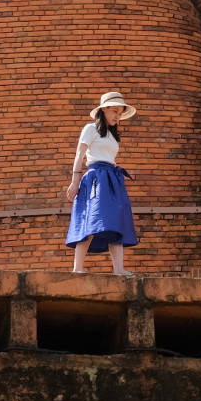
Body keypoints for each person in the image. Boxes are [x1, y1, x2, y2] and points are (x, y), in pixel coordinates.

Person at [64, 91, 137, 274]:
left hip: (112, 179)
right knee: (90, 219)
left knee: (116, 221)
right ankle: (78, 268)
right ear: (104, 110)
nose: (117, 116)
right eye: (114, 111)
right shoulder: (90, 129)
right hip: (95, 179)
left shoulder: (112, 135)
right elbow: (79, 155)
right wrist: (75, 181)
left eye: (120, 113)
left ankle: (119, 269)